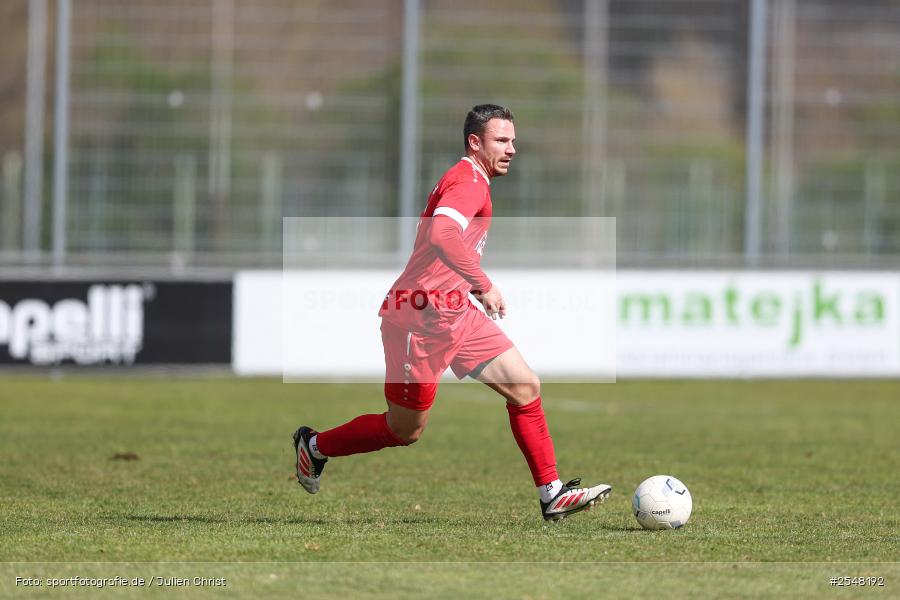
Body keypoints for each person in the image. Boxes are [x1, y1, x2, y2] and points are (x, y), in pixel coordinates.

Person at [293, 104, 611, 521]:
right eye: (502, 140)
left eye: (513, 140)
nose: (512, 148)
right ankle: (313, 446)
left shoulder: (475, 180)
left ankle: (551, 493)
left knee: (525, 386)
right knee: (404, 430)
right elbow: (443, 233)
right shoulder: (468, 181)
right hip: (419, 318)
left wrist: (467, 288)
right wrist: (482, 282)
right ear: (475, 143)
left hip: (455, 312)